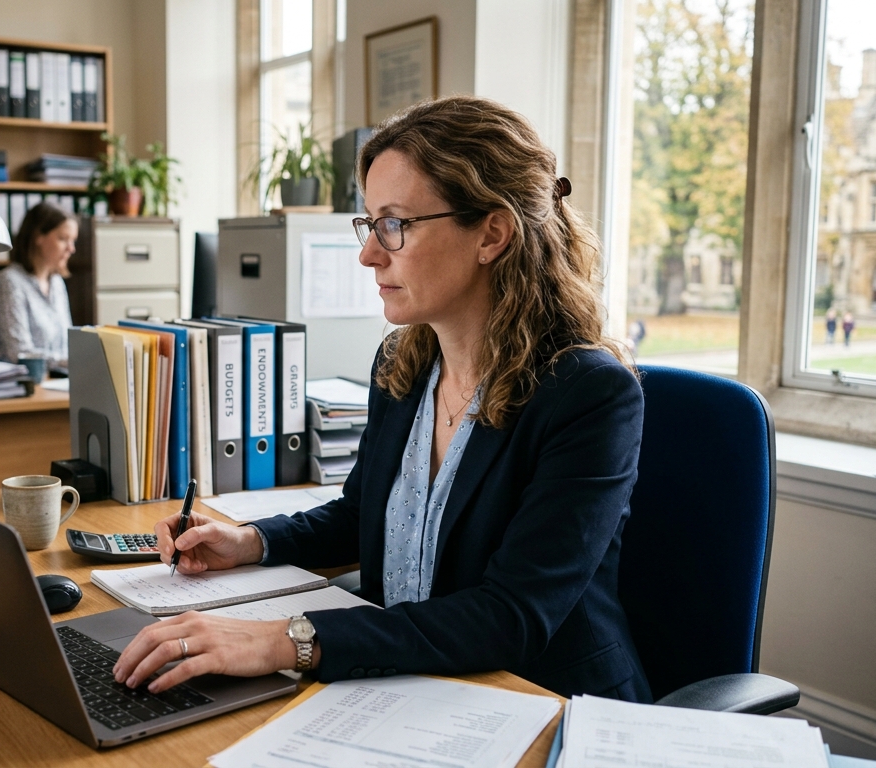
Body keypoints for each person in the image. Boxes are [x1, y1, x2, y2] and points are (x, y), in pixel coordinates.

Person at [112, 96, 652, 703]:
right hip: (412, 684)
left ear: (492, 234)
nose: (369, 253)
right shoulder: (405, 363)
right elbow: (362, 515)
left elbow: (512, 617)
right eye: (369, 224)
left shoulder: (588, 395)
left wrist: (283, 640)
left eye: (395, 224)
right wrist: (252, 543)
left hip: (541, 701)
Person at [0, 203, 77, 369]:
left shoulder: (56, 283)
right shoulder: (8, 282)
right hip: (12, 383)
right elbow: (20, 353)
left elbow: (67, 344)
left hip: (52, 380)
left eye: (73, 241)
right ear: (38, 236)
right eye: (63, 239)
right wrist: (73, 362)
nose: (71, 249)